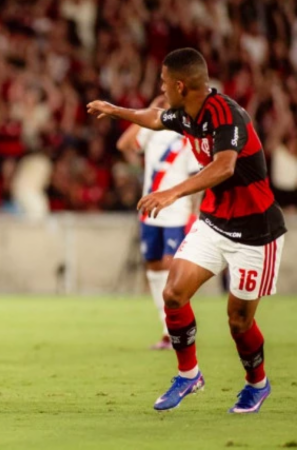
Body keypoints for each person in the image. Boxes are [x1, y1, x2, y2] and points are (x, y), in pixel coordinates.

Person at [88, 48, 286, 413]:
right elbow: (154, 118)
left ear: (180, 85)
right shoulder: (187, 114)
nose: (161, 88)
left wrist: (173, 192)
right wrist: (116, 110)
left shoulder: (228, 115)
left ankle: (257, 384)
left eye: (164, 81)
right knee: (174, 293)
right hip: (214, 223)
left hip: (256, 231)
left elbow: (224, 167)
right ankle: (189, 374)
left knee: (239, 322)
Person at [116, 95, 199, 350]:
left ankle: (178, 330)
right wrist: (148, 111)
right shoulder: (152, 129)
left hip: (177, 211)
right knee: (153, 267)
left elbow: (196, 179)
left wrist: (195, 214)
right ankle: (166, 329)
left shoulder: (188, 136)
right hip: (149, 211)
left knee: (171, 268)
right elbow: (124, 145)